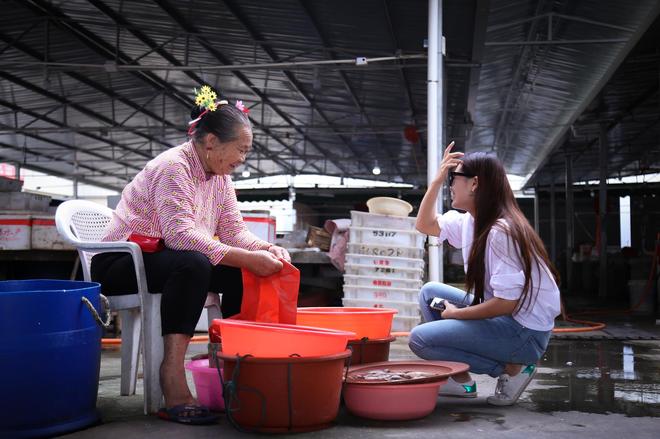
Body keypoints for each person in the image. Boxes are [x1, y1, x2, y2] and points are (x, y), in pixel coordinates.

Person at [91, 86, 290, 424]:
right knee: (196, 262)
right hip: (120, 261)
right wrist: (246, 256)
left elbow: (233, 232)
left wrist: (266, 250)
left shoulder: (220, 178)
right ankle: (172, 376)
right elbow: (180, 235)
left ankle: (236, 365)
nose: (243, 159)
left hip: (167, 258)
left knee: (247, 271)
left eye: (247, 151)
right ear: (211, 141)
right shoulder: (174, 167)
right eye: (241, 150)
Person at [409, 141, 560, 406]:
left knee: (420, 339)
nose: (451, 186)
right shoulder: (471, 220)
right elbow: (425, 224)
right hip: (510, 319)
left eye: (454, 179)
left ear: (475, 184)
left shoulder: (502, 231)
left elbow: (506, 303)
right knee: (429, 292)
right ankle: (462, 384)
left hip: (525, 333)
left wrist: (458, 314)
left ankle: (512, 368)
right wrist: (436, 180)